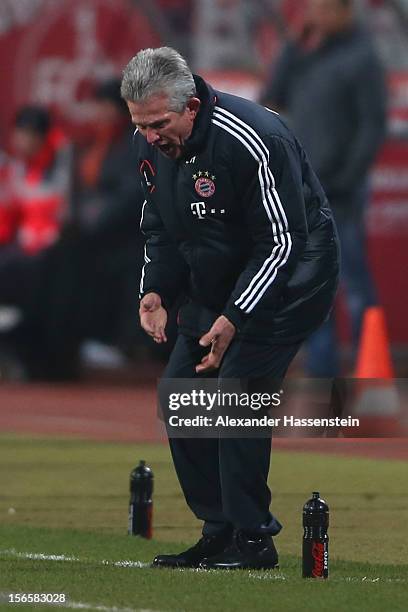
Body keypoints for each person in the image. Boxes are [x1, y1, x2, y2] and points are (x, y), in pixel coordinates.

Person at [121, 47, 339, 570]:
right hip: (218, 276)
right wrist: (153, 291)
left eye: (157, 123)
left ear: (191, 108)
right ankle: (217, 529)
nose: (148, 135)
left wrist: (236, 315)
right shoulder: (152, 147)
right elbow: (160, 227)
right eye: (139, 124)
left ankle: (253, 539)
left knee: (233, 396)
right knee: (182, 396)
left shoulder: (253, 137)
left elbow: (284, 239)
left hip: (291, 279)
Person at [261, 0, 387, 376]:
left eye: (324, 9)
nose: (315, 16)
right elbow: (274, 94)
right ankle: (322, 373)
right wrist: (292, 44)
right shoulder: (309, 56)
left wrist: (348, 180)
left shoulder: (362, 58)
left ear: (345, 12)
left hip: (341, 190)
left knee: (352, 279)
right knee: (313, 282)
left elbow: (371, 126)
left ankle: (370, 372)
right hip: (307, 187)